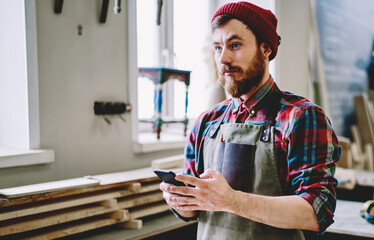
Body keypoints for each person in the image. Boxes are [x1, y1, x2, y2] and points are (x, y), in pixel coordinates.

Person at [159, 2, 341, 239]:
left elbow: (317, 212)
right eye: (217, 47)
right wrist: (180, 200)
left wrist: (232, 200)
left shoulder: (301, 118)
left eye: (235, 45)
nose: (223, 58)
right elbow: (194, 210)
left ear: (265, 49)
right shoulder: (206, 123)